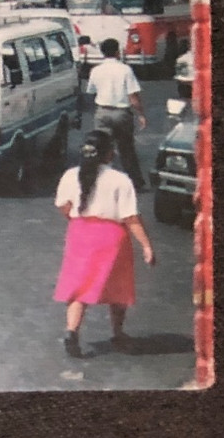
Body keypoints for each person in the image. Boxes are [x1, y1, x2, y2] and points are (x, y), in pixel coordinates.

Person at [53, 129, 156, 357]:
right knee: (118, 286)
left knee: (80, 285)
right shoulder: (120, 180)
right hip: (111, 237)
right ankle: (118, 334)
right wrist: (147, 246)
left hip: (79, 234)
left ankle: (72, 332)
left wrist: (73, 217)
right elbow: (131, 218)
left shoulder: (71, 175)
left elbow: (63, 205)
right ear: (110, 154)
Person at [86, 38, 148, 189]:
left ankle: (97, 180)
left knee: (100, 147)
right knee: (126, 149)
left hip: (102, 113)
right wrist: (141, 114)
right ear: (117, 51)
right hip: (121, 114)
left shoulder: (96, 70)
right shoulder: (125, 70)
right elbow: (133, 97)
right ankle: (135, 182)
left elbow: (91, 91)